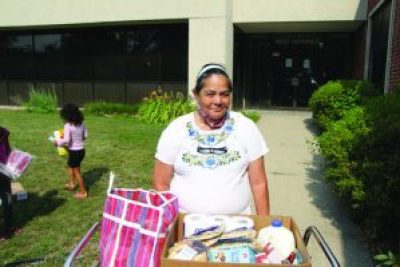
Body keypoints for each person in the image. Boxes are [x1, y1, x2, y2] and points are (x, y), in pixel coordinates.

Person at [153, 63, 270, 215]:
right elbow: (160, 184)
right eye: (210, 93)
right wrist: (168, 225)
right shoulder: (177, 129)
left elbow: (259, 183)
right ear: (196, 94)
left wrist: (265, 224)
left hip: (237, 228)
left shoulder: (246, 127)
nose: (218, 100)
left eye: (224, 94)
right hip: (186, 228)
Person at [54, 103, 88, 200]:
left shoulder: (68, 125)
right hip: (81, 150)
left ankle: (83, 192)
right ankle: (72, 184)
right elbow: (85, 136)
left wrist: (57, 142)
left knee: (77, 171)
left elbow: (66, 140)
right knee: (70, 166)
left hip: (74, 152)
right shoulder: (82, 124)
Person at [0, 126, 13, 236]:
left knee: (8, 200)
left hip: (4, 173)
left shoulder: (3, 132)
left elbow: (8, 150)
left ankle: (9, 228)